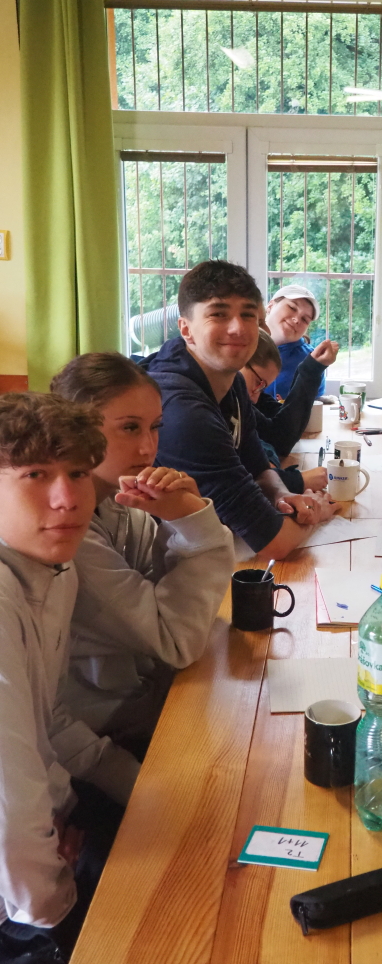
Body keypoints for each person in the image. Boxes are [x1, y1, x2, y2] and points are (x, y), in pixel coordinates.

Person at [0, 392, 141, 962]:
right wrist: (58, 910)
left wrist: (143, 789)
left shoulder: (55, 568)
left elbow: (49, 720)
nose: (66, 498)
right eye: (35, 475)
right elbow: (8, 802)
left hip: (43, 834)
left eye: (78, 473)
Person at [50, 353, 235, 750]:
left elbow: (168, 600)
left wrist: (180, 518)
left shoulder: (121, 503)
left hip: (146, 696)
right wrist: (194, 524)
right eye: (130, 428)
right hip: (104, 732)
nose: (148, 447)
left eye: (155, 427)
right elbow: (176, 641)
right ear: (74, 431)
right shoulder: (67, 536)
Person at [141, 260, 341, 561]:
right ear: (186, 329)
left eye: (247, 315)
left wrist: (283, 495)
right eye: (218, 314)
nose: (237, 328)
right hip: (150, 559)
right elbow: (273, 543)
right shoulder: (183, 411)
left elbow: (258, 468)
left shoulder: (231, 380)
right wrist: (318, 513)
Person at [241, 331, 328, 494]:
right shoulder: (210, 405)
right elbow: (279, 440)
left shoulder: (243, 397)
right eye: (258, 383)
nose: (255, 398)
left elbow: (279, 432)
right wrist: (295, 481)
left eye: (262, 387)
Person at [263, 284, 337, 403]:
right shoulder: (243, 344)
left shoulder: (311, 359)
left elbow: (314, 404)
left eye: (304, 319)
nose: (297, 319)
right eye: (292, 308)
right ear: (270, 306)